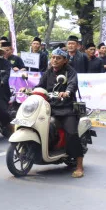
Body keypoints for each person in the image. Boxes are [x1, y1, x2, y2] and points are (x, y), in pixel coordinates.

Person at [37, 48, 85, 178]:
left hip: (67, 109)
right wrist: (30, 90)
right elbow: (40, 85)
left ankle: (79, 165)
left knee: (72, 133)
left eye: (58, 58)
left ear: (65, 60)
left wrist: (67, 92)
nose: (55, 60)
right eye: (53, 57)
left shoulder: (71, 72)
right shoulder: (49, 72)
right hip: (50, 108)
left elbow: (72, 85)